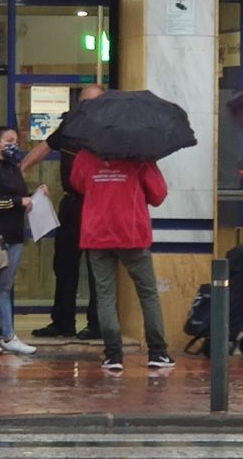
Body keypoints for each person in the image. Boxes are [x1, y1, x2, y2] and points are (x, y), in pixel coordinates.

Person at [70, 149, 175, 372]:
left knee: (105, 295)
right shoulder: (140, 157)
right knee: (147, 293)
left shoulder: (85, 156)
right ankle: (157, 352)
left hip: (96, 234)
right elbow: (158, 195)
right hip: (132, 234)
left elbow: (78, 185)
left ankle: (113, 355)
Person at [21, 84, 104, 340]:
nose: (85, 108)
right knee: (64, 264)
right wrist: (21, 167)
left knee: (97, 268)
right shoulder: (69, 125)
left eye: (91, 102)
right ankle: (62, 322)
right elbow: (46, 146)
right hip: (72, 203)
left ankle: (97, 324)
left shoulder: (109, 129)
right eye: (82, 102)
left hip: (98, 204)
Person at [0, 125, 39, 355]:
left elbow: (20, 197)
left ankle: (9, 336)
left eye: (16, 141)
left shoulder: (14, 168)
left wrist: (33, 196)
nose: (14, 145)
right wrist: (17, 202)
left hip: (14, 235)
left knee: (5, 286)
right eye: (9, 141)